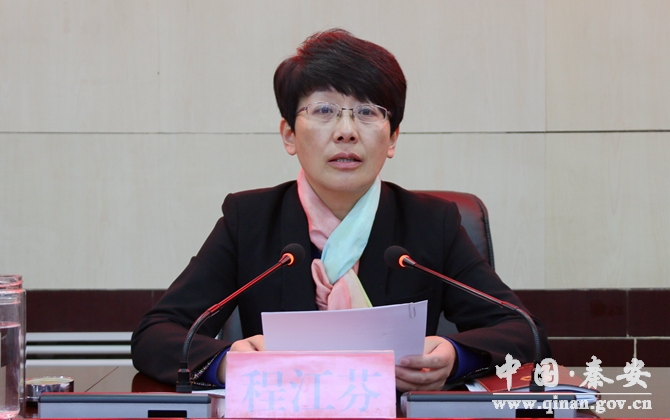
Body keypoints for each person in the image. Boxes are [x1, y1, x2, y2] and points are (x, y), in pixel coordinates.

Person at [131, 29, 550, 391]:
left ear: (392, 138)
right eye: (324, 111)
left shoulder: (431, 223)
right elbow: (156, 334)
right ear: (289, 135)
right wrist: (229, 362)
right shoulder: (250, 220)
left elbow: (525, 333)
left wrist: (455, 356)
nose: (346, 131)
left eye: (367, 112)